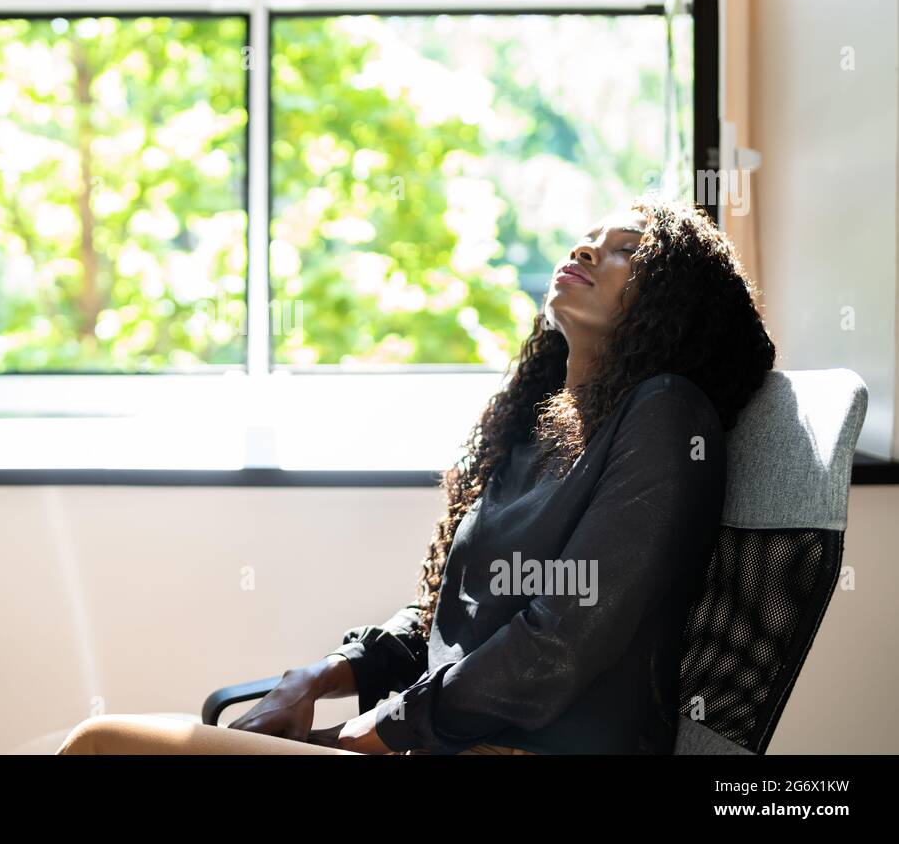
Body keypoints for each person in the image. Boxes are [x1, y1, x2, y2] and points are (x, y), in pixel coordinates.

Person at [57, 195, 775, 755]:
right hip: (443, 738)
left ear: (672, 308)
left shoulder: (664, 416)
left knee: (101, 745)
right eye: (591, 235)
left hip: (508, 752)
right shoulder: (540, 422)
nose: (587, 247)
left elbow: (557, 643)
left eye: (629, 251)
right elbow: (446, 622)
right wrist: (321, 676)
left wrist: (388, 725)